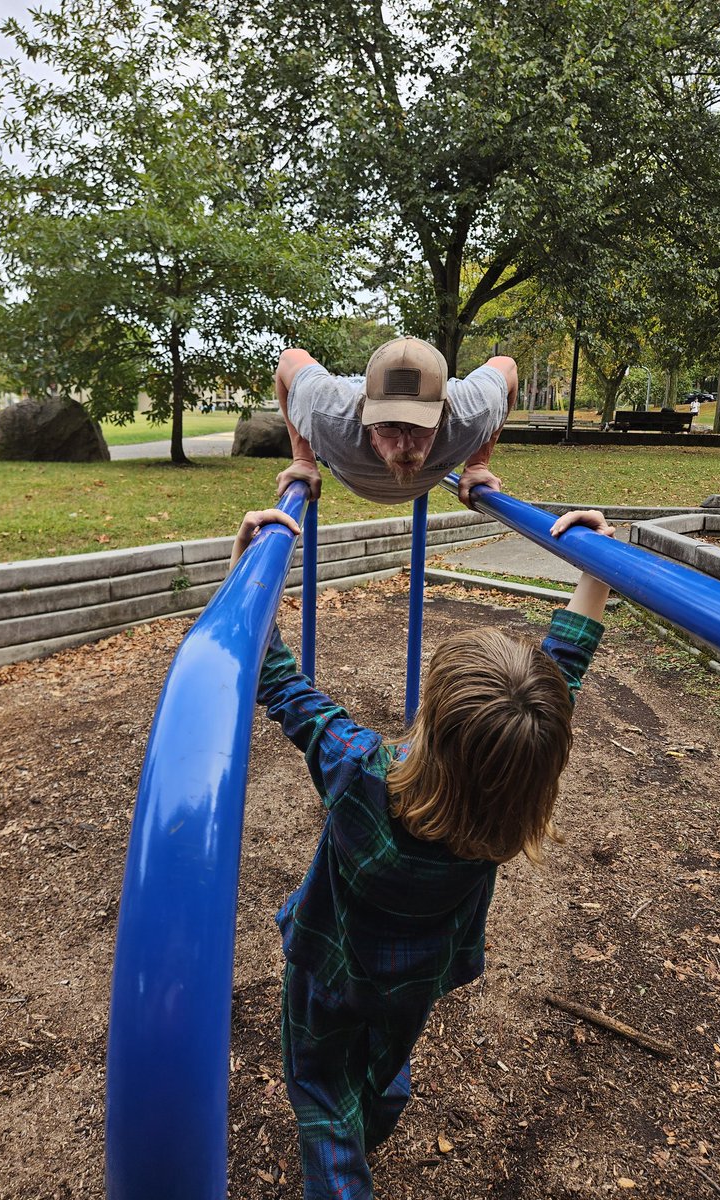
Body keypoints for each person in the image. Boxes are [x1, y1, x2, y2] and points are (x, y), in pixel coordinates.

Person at [230, 506, 614, 1200]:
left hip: (331, 967)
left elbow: (280, 682)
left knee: (320, 1088)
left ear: (430, 720)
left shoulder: (359, 769)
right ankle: (377, 1107)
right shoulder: (508, 804)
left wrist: (248, 572)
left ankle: (344, 1159)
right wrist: (598, 569)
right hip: (417, 977)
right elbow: (561, 676)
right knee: (383, 1066)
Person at [273, 337, 518, 507]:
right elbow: (289, 359)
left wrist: (478, 464)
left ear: (443, 416)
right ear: (366, 419)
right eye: (388, 425)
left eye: (420, 426)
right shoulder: (327, 413)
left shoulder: (472, 414)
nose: (404, 445)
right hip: (336, 452)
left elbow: (506, 367)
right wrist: (303, 459)